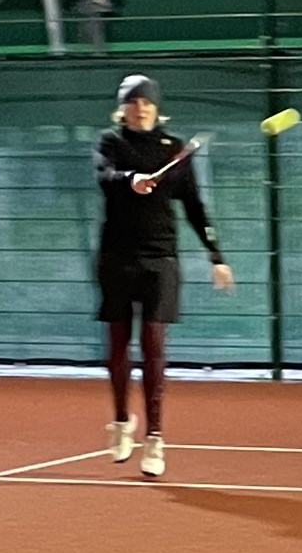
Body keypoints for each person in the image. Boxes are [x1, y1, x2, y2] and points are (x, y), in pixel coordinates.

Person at [94, 74, 232, 478]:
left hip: (161, 261)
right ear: (123, 107)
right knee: (118, 349)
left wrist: (216, 256)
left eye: (147, 102)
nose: (141, 108)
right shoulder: (110, 143)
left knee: (153, 345)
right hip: (116, 258)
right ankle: (122, 421)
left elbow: (194, 206)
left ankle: (154, 437)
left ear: (156, 107)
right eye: (134, 102)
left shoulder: (173, 149)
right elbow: (105, 176)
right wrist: (130, 180)